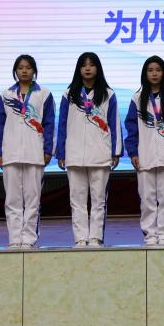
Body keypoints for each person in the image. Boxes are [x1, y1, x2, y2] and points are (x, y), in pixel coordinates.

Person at [56, 52, 122, 248]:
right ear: (78, 69)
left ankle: (95, 237)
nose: (87, 68)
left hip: (100, 153)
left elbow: (115, 123)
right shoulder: (69, 94)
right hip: (74, 153)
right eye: (84, 65)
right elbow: (62, 124)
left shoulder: (108, 94)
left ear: (97, 68)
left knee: (99, 199)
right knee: (76, 199)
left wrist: (116, 151)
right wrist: (61, 152)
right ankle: (80, 237)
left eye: (91, 65)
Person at [0, 54, 55, 249]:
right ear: (15, 71)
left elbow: (49, 123)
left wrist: (48, 150)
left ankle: (29, 238)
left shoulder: (44, 94)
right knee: (12, 199)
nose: (24, 71)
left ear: (34, 71)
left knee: (32, 199)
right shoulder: (6, 95)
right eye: (20, 68)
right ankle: (15, 237)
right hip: (10, 152)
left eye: (28, 67)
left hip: (35, 152)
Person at [124, 56, 164, 246]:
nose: (154, 74)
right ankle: (150, 234)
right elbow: (131, 128)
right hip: (144, 155)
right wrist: (133, 153)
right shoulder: (137, 98)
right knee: (147, 199)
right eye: (150, 70)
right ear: (145, 73)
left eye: (158, 70)